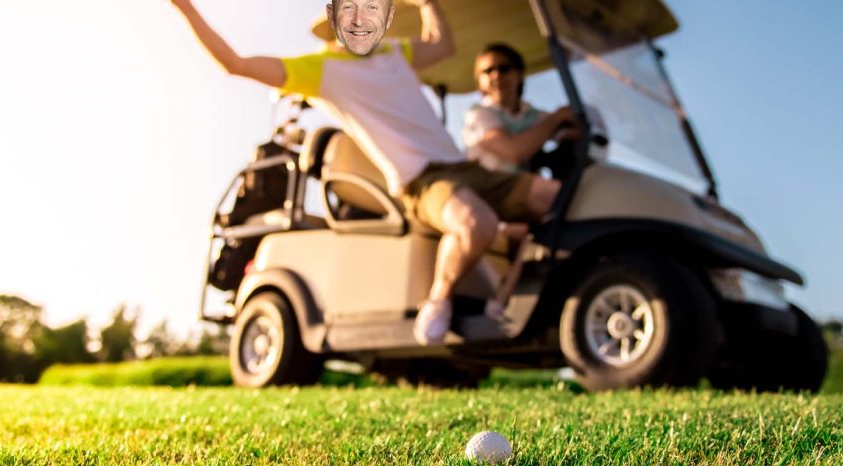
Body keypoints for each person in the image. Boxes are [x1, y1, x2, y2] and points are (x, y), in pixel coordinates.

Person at [170, 0, 562, 345]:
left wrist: (427, 5)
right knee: (478, 224)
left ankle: (537, 300)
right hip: (423, 181)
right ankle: (438, 301)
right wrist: (184, 7)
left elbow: (443, 45)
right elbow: (235, 64)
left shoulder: (393, 51)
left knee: (559, 197)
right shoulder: (321, 70)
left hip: (464, 167)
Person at [463, 43, 578, 175]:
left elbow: (568, 133)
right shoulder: (478, 114)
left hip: (535, 185)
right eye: (488, 71)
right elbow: (513, 153)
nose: (496, 75)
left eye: (504, 68)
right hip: (493, 187)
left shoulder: (534, 115)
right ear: (479, 83)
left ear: (520, 74)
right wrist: (557, 118)